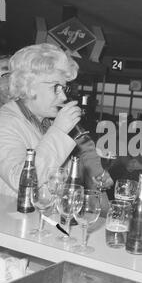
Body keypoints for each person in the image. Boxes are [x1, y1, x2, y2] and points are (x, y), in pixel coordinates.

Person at [0, 43, 112, 208]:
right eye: (56, 88)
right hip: (15, 224)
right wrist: (59, 131)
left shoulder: (46, 121)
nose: (63, 97)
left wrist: (94, 172)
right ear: (30, 86)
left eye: (64, 88)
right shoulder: (5, 122)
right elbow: (19, 180)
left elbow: (82, 149)